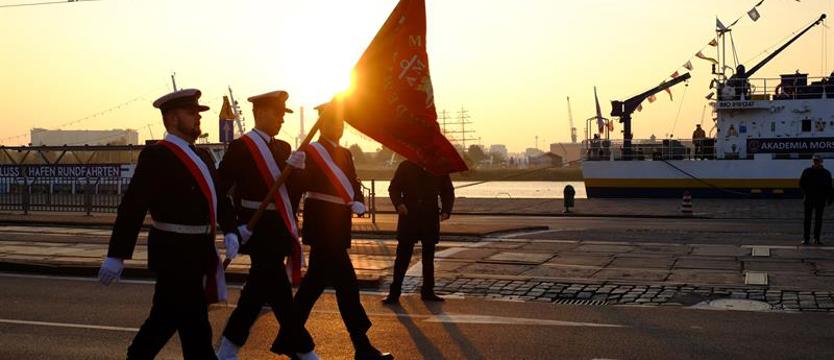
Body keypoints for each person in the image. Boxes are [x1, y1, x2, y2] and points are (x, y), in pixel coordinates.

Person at [97, 89, 233, 359]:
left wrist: (232, 229)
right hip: (174, 256)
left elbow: (219, 196)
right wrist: (117, 255)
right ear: (172, 118)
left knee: (167, 323)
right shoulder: (156, 157)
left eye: (198, 113)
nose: (197, 118)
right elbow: (132, 207)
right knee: (193, 329)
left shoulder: (203, 156)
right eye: (191, 113)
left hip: (198, 253)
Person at [214, 90, 318, 360]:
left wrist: (299, 172)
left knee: (258, 292)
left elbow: (292, 195)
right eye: (277, 113)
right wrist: (233, 227)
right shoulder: (242, 148)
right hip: (256, 229)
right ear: (259, 113)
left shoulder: (283, 148)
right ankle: (305, 351)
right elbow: (220, 189)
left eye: (284, 114)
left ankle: (227, 350)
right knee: (278, 294)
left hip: (279, 226)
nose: (282, 119)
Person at [289, 101, 393, 360]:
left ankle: (289, 335)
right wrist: (296, 169)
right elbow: (302, 185)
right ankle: (362, 345)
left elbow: (353, 182)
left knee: (313, 285)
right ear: (323, 123)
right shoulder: (311, 151)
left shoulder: (345, 153)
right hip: (322, 224)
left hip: (339, 225)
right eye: (334, 121)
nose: (339, 126)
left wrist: (357, 197)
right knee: (347, 285)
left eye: (341, 122)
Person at [382, 160, 454, 304]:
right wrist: (399, 204)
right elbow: (394, 188)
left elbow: (447, 191)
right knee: (402, 256)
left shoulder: (439, 167)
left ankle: (428, 291)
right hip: (409, 214)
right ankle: (394, 292)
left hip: (430, 215)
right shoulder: (405, 166)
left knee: (429, 257)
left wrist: (446, 209)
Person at [799, 154, 833, 245]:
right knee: (807, 220)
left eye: (817, 161)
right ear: (812, 161)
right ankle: (806, 239)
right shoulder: (807, 171)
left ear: (821, 162)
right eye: (814, 160)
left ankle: (816, 238)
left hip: (820, 200)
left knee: (818, 220)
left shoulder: (826, 173)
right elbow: (801, 184)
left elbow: (829, 187)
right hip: (809, 199)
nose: (815, 162)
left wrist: (830, 199)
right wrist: (805, 194)